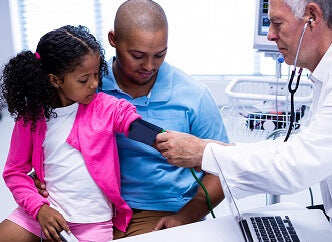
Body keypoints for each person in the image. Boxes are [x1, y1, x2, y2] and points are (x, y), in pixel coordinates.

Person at [35, 0, 229, 238]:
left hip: (158, 208)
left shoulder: (193, 95)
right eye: (138, 55)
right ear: (113, 40)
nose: (149, 66)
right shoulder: (86, 87)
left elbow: (223, 167)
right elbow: (57, 138)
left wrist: (185, 216)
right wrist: (41, 177)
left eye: (160, 54)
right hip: (91, 204)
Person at [155, 0, 332, 222]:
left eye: (277, 23)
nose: (270, 35)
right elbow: (295, 148)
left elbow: (296, 164)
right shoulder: (322, 76)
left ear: (312, 16)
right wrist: (216, 149)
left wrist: (202, 152)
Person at [0, 25, 142, 241]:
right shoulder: (31, 117)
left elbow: (128, 119)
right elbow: (14, 172)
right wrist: (40, 209)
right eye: (84, 80)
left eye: (96, 74)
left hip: (92, 223)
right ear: (55, 80)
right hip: (44, 214)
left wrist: (159, 138)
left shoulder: (103, 106)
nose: (94, 84)